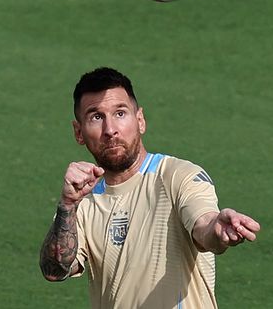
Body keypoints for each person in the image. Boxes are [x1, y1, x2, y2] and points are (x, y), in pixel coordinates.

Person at [39, 67, 260, 309]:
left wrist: (218, 230)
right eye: (96, 117)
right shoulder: (82, 200)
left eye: (120, 113)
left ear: (140, 120)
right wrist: (67, 205)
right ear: (79, 132)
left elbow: (204, 229)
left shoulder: (177, 176)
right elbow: (54, 270)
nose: (110, 129)